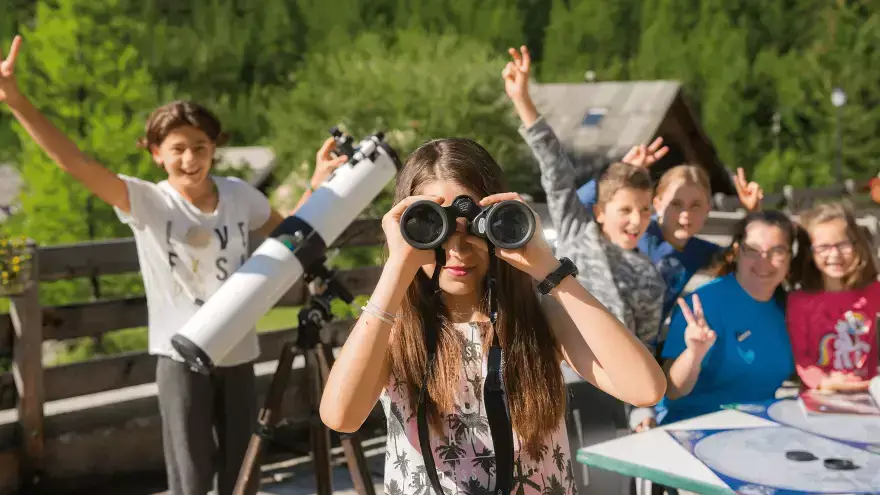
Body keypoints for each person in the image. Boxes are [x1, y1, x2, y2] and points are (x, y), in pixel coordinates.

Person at [0, 35, 346, 495]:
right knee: (191, 477)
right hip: (179, 354)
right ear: (156, 152)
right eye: (178, 148)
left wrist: (319, 184)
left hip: (238, 350)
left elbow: (290, 232)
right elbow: (74, 163)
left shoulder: (240, 195)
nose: (190, 159)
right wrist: (18, 102)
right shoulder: (147, 201)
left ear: (213, 149)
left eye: (200, 147)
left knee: (242, 470)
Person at [319, 138, 667, 495]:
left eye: (471, 225)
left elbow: (645, 388)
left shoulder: (540, 318)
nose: (456, 249)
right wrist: (397, 267)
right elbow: (340, 416)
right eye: (430, 225)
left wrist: (550, 270)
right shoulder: (392, 329)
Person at [578, 156, 764, 321]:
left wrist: (754, 213)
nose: (686, 214)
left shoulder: (701, 251)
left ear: (708, 208)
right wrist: (619, 174)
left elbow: (740, 257)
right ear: (657, 204)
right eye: (676, 204)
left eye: (696, 205)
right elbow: (576, 211)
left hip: (647, 342)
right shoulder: (637, 231)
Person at [658, 210, 797, 425]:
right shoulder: (703, 305)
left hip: (758, 432)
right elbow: (673, 390)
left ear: (789, 258)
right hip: (694, 432)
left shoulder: (788, 308)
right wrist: (694, 354)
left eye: (776, 251)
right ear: (736, 252)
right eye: (753, 250)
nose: (764, 260)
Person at [787, 201, 878, 393]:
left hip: (867, 396)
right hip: (820, 398)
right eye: (823, 247)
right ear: (810, 253)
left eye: (843, 244)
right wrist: (824, 383)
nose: (835, 254)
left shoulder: (874, 293)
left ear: (857, 245)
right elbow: (801, 358)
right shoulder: (799, 302)